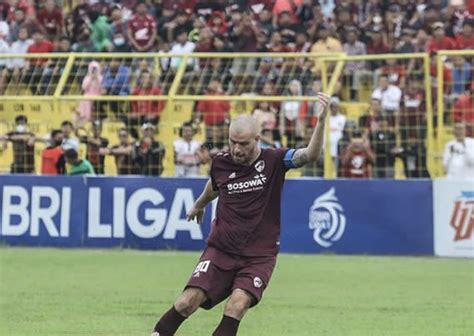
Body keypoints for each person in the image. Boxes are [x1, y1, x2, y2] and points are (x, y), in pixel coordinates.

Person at [151, 92, 330, 336]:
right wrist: (199, 204)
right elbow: (215, 186)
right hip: (221, 249)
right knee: (186, 302)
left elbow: (309, 155)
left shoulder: (275, 160)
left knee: (236, 305)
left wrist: (320, 122)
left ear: (257, 139)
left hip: (258, 255)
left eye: (243, 143)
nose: (236, 149)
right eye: (232, 142)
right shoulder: (221, 162)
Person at [76, 61, 103, 126]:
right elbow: (84, 88)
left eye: (95, 69)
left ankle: (89, 116)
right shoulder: (87, 78)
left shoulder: (101, 77)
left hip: (98, 94)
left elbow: (101, 88)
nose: (94, 71)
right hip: (88, 94)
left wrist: (96, 78)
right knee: (85, 99)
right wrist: (91, 78)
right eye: (92, 69)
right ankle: (84, 116)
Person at [328, 97, 346, 171]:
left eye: (336, 106)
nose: (334, 108)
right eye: (332, 106)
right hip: (326, 148)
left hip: (338, 149)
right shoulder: (326, 118)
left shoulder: (343, 118)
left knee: (336, 170)